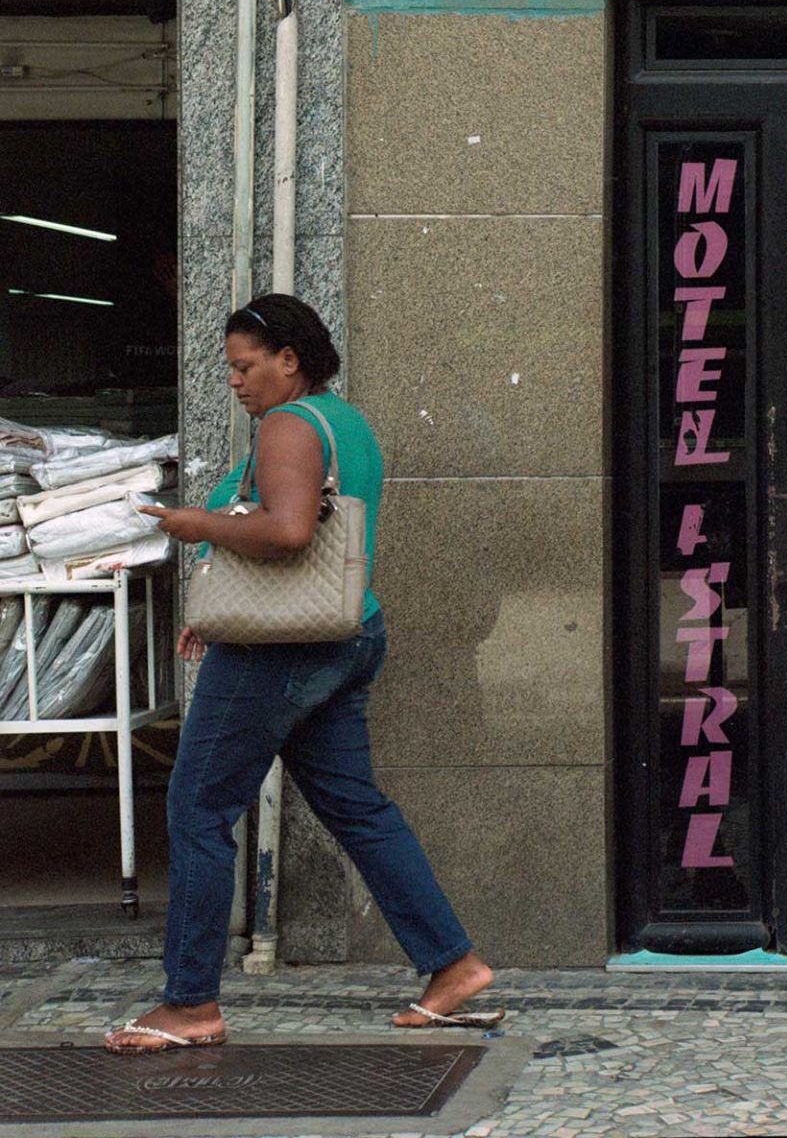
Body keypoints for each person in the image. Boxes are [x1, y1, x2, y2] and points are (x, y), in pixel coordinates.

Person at [104, 294, 499, 1053]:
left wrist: (193, 525)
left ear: (290, 359)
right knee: (358, 809)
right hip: (344, 631)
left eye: (245, 365)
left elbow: (285, 533)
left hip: (275, 654)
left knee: (196, 810)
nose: (235, 381)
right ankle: (453, 966)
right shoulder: (343, 421)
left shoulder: (287, 427)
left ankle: (190, 1005)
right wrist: (220, 596)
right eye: (230, 368)